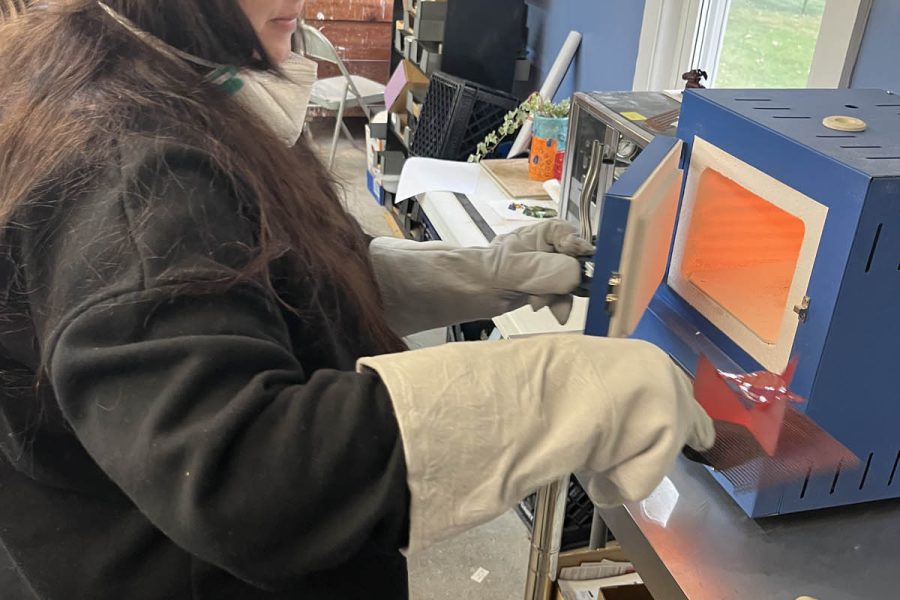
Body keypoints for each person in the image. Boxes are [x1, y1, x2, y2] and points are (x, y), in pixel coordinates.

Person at [0, 1, 714, 598]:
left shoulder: (145, 75)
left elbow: (267, 282)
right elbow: (246, 478)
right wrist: (565, 390)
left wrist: (481, 272)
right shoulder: (134, 167)